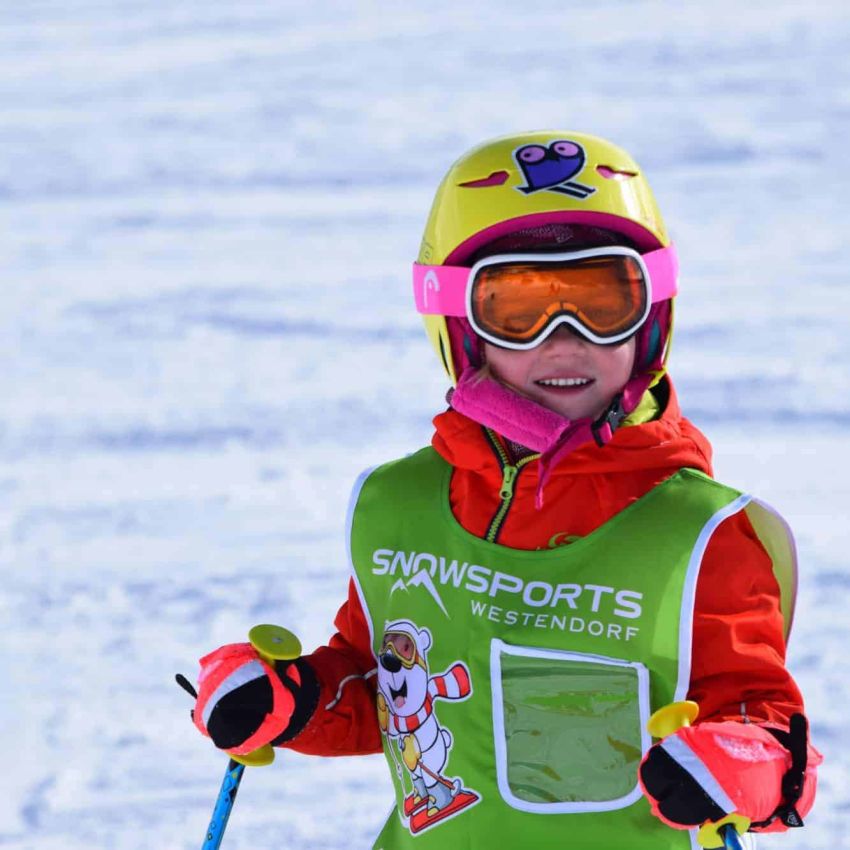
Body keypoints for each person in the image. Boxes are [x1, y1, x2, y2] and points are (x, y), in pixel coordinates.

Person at [186, 132, 821, 849]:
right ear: (460, 328)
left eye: (602, 303)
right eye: (517, 310)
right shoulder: (398, 505)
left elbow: (766, 730)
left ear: (654, 316)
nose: (565, 340)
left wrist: (741, 765)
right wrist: (289, 700)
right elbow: (383, 689)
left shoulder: (700, 533)